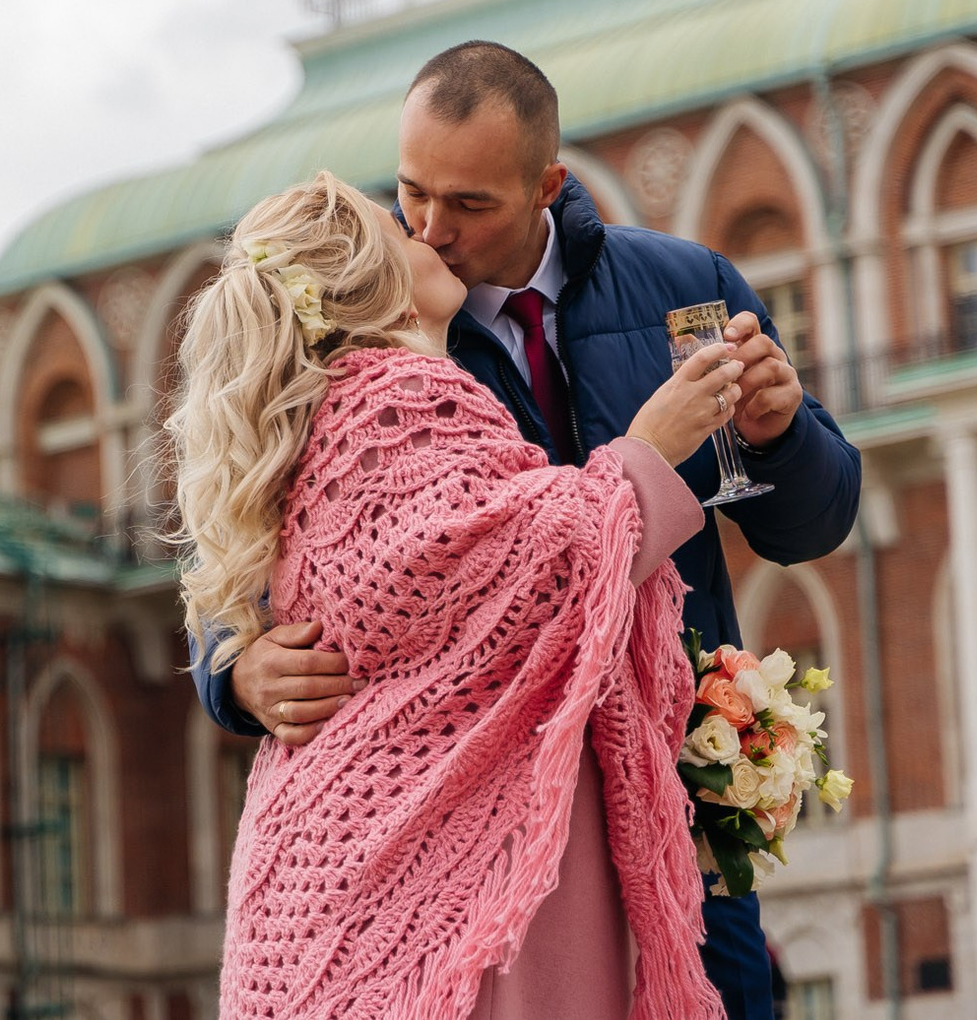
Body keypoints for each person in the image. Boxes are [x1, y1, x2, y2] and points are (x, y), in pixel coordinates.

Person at [192, 40, 864, 1020]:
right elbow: (261, 531)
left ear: (547, 184)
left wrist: (780, 432)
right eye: (411, 193)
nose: (431, 229)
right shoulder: (375, 319)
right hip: (483, 815)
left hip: (671, 790)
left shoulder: (683, 286)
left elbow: (815, 522)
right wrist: (233, 669)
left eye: (469, 203)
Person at [171, 171, 737, 1018]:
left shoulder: (333, 423)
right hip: (461, 880)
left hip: (382, 867)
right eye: (399, 229)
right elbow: (531, 567)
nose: (427, 233)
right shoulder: (396, 410)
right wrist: (651, 448)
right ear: (375, 288)